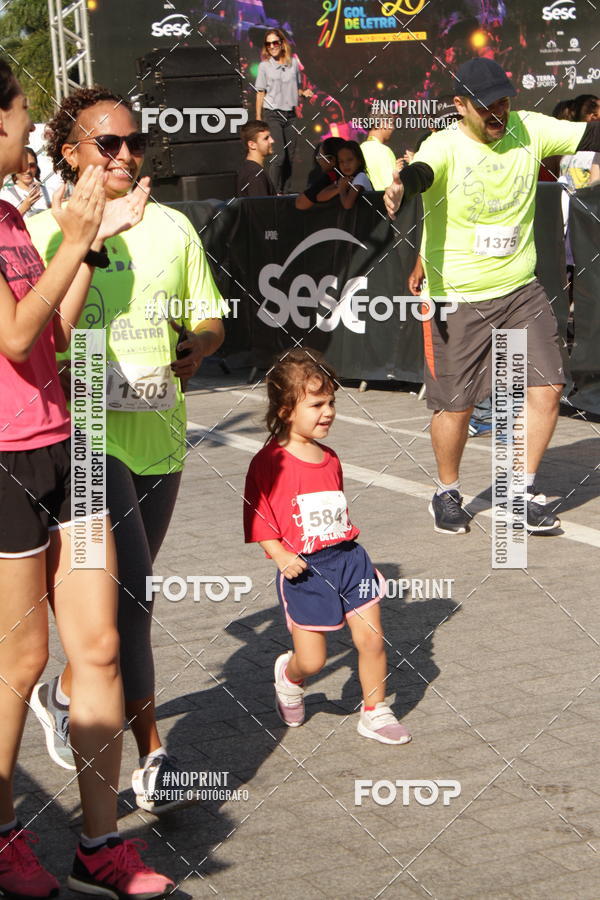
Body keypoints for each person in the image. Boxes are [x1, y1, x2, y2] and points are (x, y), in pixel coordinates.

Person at [28, 86, 227, 815]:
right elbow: (29, 339)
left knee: (128, 599)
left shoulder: (172, 227)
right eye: (106, 144)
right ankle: (153, 759)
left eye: (134, 142)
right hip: (82, 436)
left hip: (161, 435)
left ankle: (71, 692)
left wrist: (198, 346)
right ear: (71, 153)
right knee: (136, 598)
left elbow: (209, 316)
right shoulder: (43, 232)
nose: (124, 155)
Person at [0, 60, 173, 899]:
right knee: (20, 661)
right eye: (19, 121)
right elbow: (10, 337)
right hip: (6, 458)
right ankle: (4, 838)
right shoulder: (23, 223)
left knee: (99, 645)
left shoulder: (12, 216)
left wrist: (92, 244)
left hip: (74, 443)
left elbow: (52, 341)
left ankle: (99, 845)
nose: (24, 136)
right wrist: (75, 235)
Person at [384, 57, 600, 535]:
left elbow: (590, 135)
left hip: (521, 288)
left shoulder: (531, 128)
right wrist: (403, 183)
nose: (498, 111)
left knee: (547, 385)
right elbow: (422, 174)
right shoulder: (443, 145)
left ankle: (519, 491)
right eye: (486, 105)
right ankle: (447, 491)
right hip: (458, 295)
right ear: (460, 105)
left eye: (503, 100)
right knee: (454, 405)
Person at [243, 348, 411, 745]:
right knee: (314, 660)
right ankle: (290, 676)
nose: (329, 411)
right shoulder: (267, 463)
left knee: (371, 639)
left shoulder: (331, 457)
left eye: (332, 401)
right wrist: (282, 556)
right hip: (305, 572)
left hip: (351, 561)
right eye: (317, 404)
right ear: (285, 410)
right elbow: (258, 518)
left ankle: (375, 711)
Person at [254, 29, 313, 193]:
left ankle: (286, 193)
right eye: (268, 43)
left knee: (290, 157)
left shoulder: (293, 64)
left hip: (290, 115)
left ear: (282, 43)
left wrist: (304, 93)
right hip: (272, 114)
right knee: (278, 157)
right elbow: (260, 92)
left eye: (275, 42)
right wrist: (259, 119)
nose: (272, 46)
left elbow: (295, 89)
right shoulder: (264, 66)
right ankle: (274, 193)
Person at [295, 136, 345, 209]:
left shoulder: (331, 177)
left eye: (319, 156)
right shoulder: (354, 175)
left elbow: (300, 203)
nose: (318, 160)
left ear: (331, 159)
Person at [0, 146, 50, 217]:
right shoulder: (5, 196)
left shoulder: (49, 191)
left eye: (32, 165)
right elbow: (5, 226)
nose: (28, 170)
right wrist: (23, 208)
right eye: (22, 165)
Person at [236, 119, 276, 197]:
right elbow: (260, 208)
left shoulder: (251, 170)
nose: (272, 141)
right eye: (266, 138)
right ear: (252, 145)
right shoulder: (255, 174)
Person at [360, 121, 396, 190]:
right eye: (391, 123)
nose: (393, 128)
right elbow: (391, 187)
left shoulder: (360, 148)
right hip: (382, 199)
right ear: (382, 123)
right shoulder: (384, 151)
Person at [336, 140, 373, 209]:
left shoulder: (360, 177)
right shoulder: (346, 179)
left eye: (350, 160)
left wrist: (341, 188)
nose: (345, 165)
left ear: (359, 161)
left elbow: (347, 205)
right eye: (341, 161)